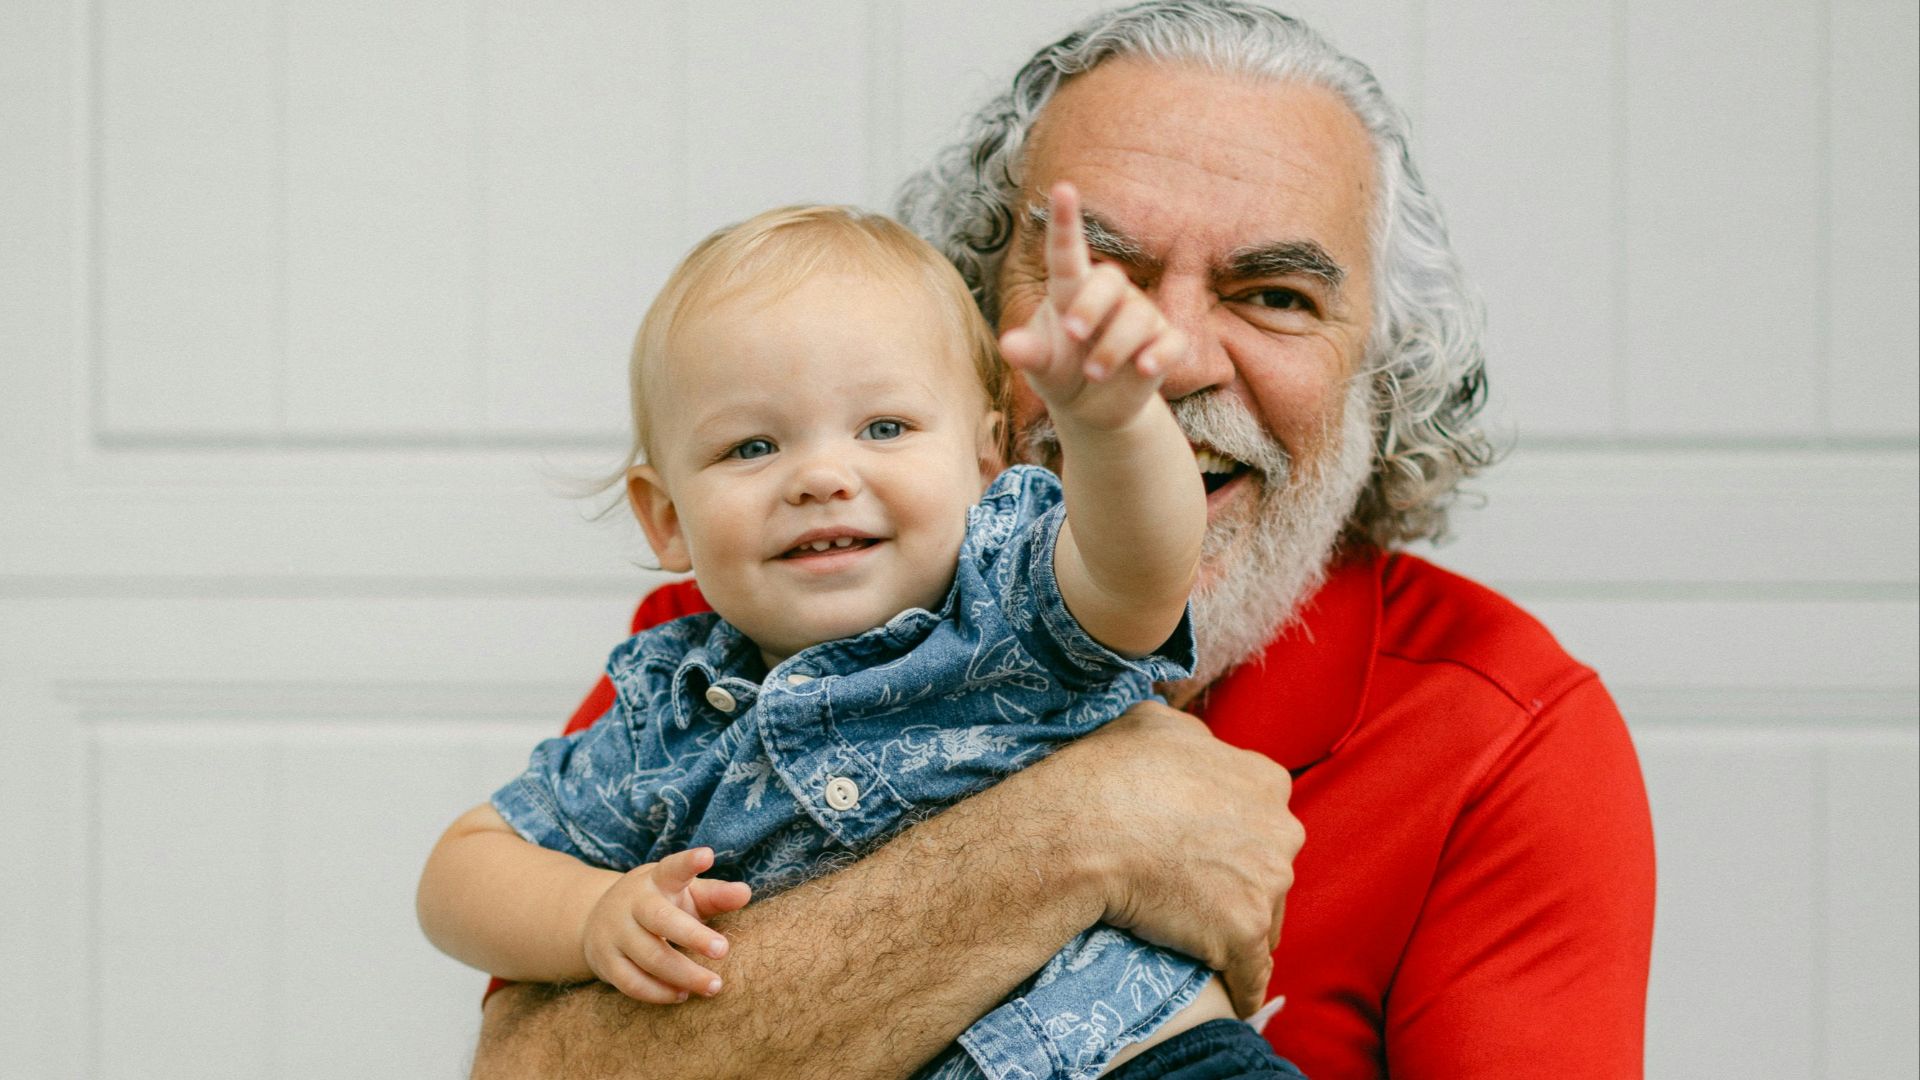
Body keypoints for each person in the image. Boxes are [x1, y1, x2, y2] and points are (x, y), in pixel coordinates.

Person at [467, 3, 1656, 1078]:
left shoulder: (1510, 735)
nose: (1172, 359)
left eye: (1274, 295)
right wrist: (1078, 836)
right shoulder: (751, 628)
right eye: (1102, 272)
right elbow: (532, 1069)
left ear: (1382, 381)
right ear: (981, 328)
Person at [421, 194, 1311, 1079]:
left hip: (1146, 1060)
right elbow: (461, 872)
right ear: (666, 521)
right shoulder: (672, 716)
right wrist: (589, 913)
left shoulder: (1012, 604)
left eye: (884, 428)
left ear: (987, 462)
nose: (820, 475)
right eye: (750, 447)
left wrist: (1113, 426)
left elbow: (1142, 571)